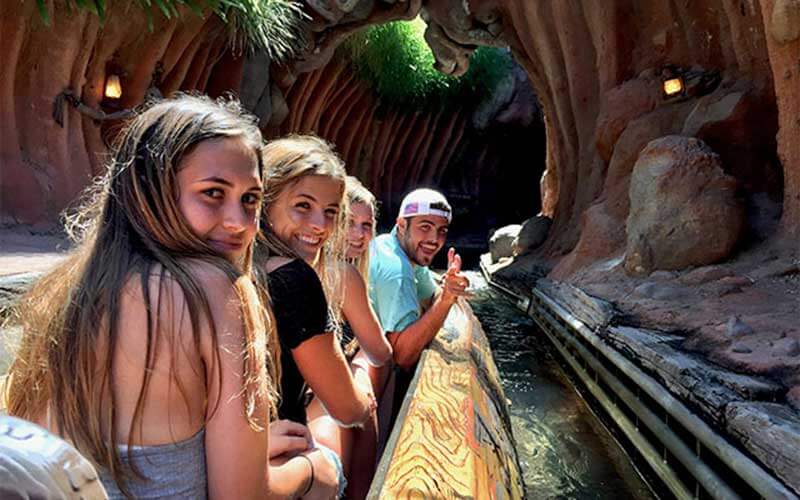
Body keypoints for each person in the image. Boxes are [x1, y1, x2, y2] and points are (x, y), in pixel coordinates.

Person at [2, 95, 337, 499]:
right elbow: (242, 496)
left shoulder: (69, 290)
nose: (239, 223)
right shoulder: (217, 290)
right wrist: (313, 471)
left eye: (250, 199)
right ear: (150, 190)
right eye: (214, 193)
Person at [258, 135, 377, 499]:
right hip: (282, 463)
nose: (320, 226)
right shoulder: (293, 278)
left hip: (245, 450)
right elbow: (348, 406)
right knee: (365, 403)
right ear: (265, 202)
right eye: (302, 206)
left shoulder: (236, 268)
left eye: (330, 212)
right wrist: (363, 391)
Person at [368, 188, 470, 404]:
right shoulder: (397, 271)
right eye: (425, 227)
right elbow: (403, 357)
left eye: (442, 230)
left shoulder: (394, 244)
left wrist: (444, 291)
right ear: (402, 225)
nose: (434, 239)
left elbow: (429, 295)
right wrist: (446, 299)